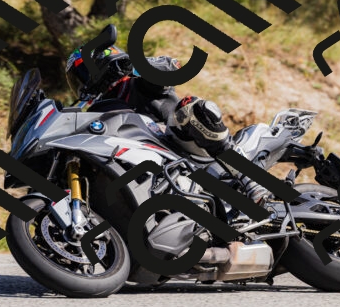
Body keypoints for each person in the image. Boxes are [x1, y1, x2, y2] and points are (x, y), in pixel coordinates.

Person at [65, 43, 270, 207]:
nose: (83, 83)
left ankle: (250, 179)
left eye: (84, 73)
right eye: (78, 79)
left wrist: (136, 65)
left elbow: (172, 67)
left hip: (184, 147)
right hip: (154, 171)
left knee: (189, 109)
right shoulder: (96, 114)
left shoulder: (137, 82)